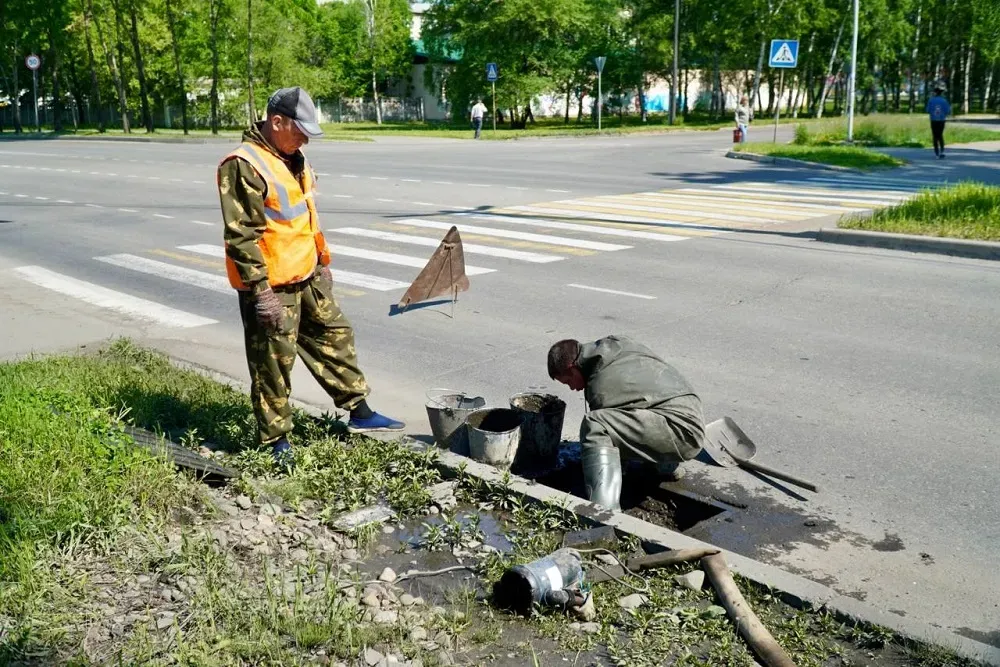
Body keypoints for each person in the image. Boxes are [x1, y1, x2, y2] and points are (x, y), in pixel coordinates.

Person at [216, 86, 404, 468]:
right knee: (273, 363)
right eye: (299, 129)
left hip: (307, 275)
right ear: (277, 121)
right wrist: (260, 292)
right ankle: (274, 442)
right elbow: (241, 235)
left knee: (335, 336)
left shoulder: (293, 156)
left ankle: (360, 411)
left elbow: (304, 215)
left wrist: (321, 260)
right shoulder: (244, 164)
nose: (304, 138)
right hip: (271, 286)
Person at [548, 335, 705, 510]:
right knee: (634, 411)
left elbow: (611, 440)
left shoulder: (601, 386)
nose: (572, 388)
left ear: (572, 367)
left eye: (569, 381)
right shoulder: (615, 346)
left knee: (596, 424)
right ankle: (664, 467)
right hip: (688, 413)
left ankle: (605, 514)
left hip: (681, 433)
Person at [926, 86, 951, 159]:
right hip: (941, 120)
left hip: (933, 120)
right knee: (940, 135)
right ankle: (942, 151)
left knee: (935, 136)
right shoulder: (944, 101)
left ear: (935, 93)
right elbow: (948, 111)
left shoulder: (931, 100)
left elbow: (927, 110)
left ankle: (936, 153)